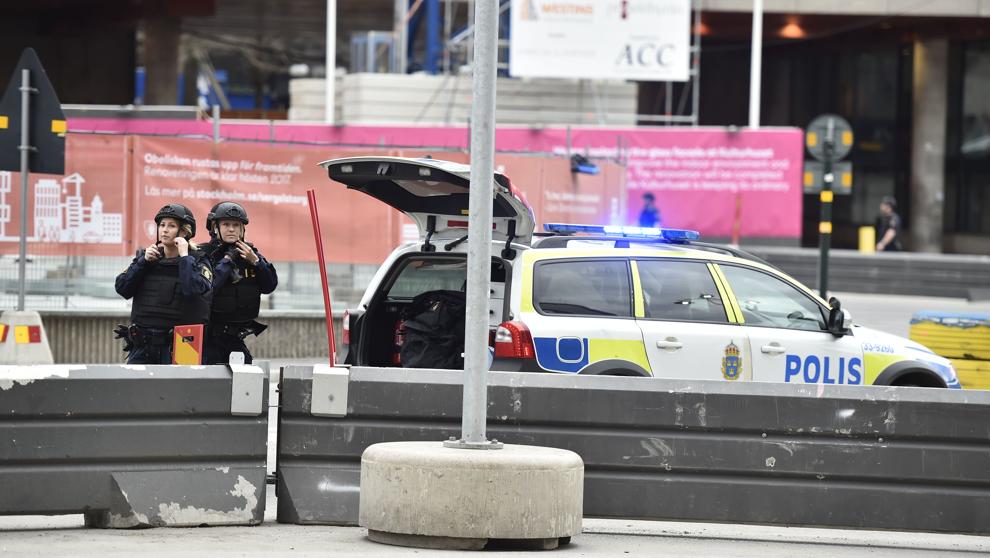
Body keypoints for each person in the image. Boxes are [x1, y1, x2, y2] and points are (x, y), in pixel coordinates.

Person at [114, 204, 213, 364]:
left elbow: (192, 289)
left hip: (183, 343)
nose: (164, 230)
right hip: (143, 344)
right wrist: (142, 262)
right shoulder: (147, 258)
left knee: (180, 389)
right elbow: (122, 288)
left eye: (171, 226)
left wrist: (184, 257)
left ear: (184, 232)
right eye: (162, 225)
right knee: (136, 388)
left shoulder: (199, 260)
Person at [202, 201, 278, 365]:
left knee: (245, 383)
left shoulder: (250, 254)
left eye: (236, 225)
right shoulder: (204, 255)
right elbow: (207, 288)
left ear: (243, 229)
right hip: (207, 340)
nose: (231, 229)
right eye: (226, 224)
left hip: (235, 339)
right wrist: (228, 259)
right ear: (215, 227)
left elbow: (269, 286)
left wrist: (256, 262)